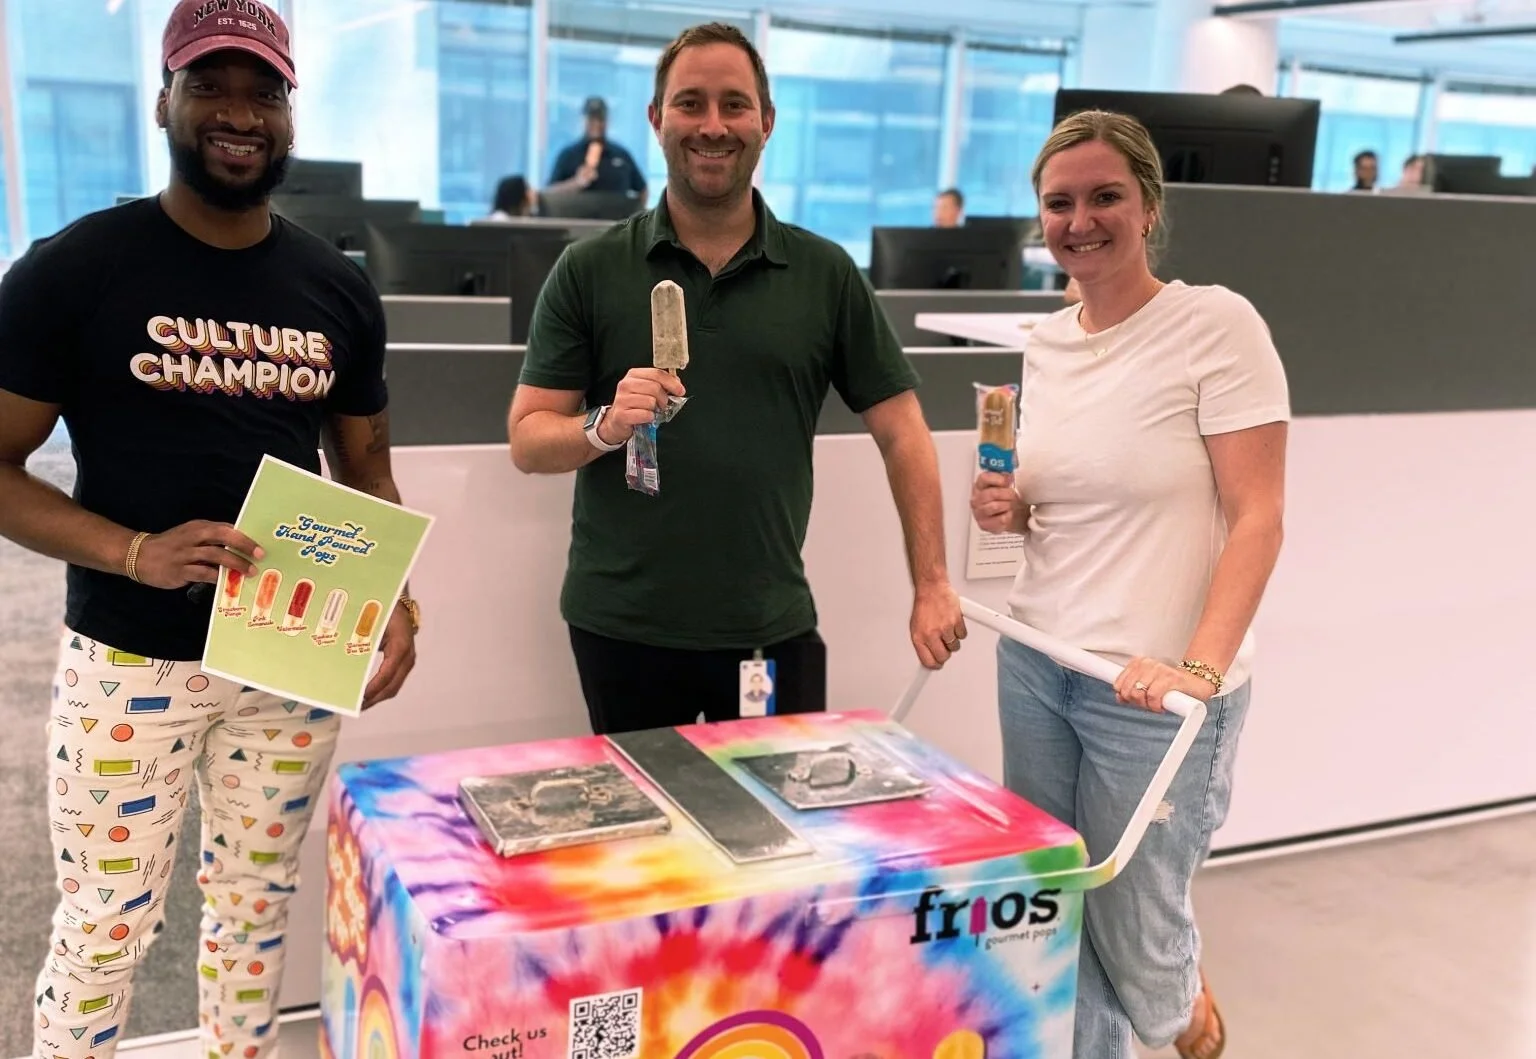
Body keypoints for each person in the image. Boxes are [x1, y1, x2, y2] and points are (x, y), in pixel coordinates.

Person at [0, 3, 420, 1057]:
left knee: (254, 914)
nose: (239, 112)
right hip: (130, 655)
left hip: (287, 656)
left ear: (289, 111)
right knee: (105, 928)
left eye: (263, 90)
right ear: (166, 101)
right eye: (211, 84)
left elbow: (362, 463)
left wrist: (397, 598)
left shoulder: (337, 287)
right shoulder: (77, 267)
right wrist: (134, 550)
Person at [508, 22, 964, 736]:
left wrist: (932, 582)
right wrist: (603, 424)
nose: (712, 125)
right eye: (690, 103)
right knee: (644, 842)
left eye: (734, 104)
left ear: (767, 122)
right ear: (657, 120)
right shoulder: (590, 270)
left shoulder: (824, 274)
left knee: (774, 840)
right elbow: (529, 441)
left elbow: (903, 430)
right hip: (622, 629)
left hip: (768, 629)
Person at [969, 108, 1288, 1059]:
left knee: (1137, 944)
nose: (1080, 220)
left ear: (1148, 207)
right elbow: (1075, 501)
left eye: (1105, 196)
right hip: (1038, 656)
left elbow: (1259, 517)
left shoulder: (1215, 324)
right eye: (1059, 203)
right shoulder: (1046, 341)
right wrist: (1014, 511)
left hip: (1153, 692)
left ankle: (1184, 1012)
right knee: (1059, 905)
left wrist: (1198, 667)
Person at [547, 96, 648, 204]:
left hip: (616, 219)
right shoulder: (568, 155)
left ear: (607, 121)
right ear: (583, 120)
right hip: (579, 219)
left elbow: (643, 190)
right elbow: (549, 194)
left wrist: (636, 215)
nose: (596, 124)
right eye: (591, 119)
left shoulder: (622, 155)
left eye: (600, 119)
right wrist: (576, 183)